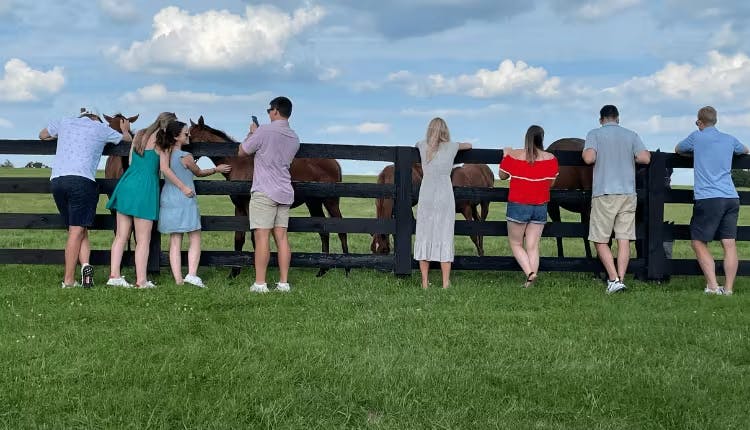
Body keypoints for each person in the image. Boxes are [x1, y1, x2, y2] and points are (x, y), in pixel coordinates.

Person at [39, 108, 133, 289]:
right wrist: (126, 129)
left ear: (81, 115)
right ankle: (68, 280)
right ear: (96, 117)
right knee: (77, 230)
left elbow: (42, 135)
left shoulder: (65, 121)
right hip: (82, 181)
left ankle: (85, 266)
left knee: (77, 229)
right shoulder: (100, 128)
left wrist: (61, 137)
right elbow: (127, 140)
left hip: (57, 180)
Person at [106, 113, 191, 289]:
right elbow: (165, 169)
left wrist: (125, 132)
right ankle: (141, 280)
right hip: (145, 188)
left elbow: (130, 160)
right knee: (143, 239)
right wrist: (183, 187)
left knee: (121, 236)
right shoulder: (163, 141)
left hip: (127, 183)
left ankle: (114, 275)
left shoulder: (140, 134)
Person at [675, 106, 749, 295]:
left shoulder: (697, 137)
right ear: (715, 121)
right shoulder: (729, 139)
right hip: (731, 196)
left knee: (698, 242)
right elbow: (745, 150)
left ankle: (713, 286)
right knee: (729, 243)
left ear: (699, 122)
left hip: (709, 197)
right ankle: (729, 289)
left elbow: (678, 149)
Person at [583, 105, 651, 294]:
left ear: (601, 119)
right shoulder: (631, 135)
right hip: (628, 193)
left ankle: (613, 279)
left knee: (599, 239)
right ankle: (621, 277)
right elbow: (645, 158)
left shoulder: (595, 134)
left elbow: (589, 158)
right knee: (624, 239)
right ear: (618, 118)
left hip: (604, 192)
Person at [158, 121, 231, 287]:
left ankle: (178, 280)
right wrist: (216, 169)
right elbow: (199, 172)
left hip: (168, 198)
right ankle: (191, 274)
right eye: (185, 133)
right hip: (185, 199)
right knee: (195, 237)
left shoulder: (165, 152)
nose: (189, 135)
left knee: (175, 240)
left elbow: (165, 169)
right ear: (176, 137)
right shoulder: (186, 157)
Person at [238, 96, 300, 293]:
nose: (268, 113)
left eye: (269, 110)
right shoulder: (293, 137)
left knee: (262, 236)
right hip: (284, 190)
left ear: (275, 111)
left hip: (264, 190)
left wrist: (251, 133)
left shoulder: (264, 130)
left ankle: (260, 283)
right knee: (281, 238)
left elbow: (242, 151)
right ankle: (283, 283)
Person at [413, 118, 472, 289]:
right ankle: (446, 283)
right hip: (444, 194)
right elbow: (469, 145)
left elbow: (417, 143)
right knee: (445, 234)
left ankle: (425, 282)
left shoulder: (422, 145)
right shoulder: (452, 146)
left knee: (424, 234)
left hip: (427, 194)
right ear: (445, 131)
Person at [499, 125, 558, 288]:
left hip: (518, 205)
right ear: (542, 138)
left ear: (527, 137)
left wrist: (506, 154)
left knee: (516, 244)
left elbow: (502, 176)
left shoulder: (516, 155)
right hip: (540, 205)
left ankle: (530, 273)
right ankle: (530, 283)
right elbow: (551, 183)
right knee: (532, 246)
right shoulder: (551, 158)